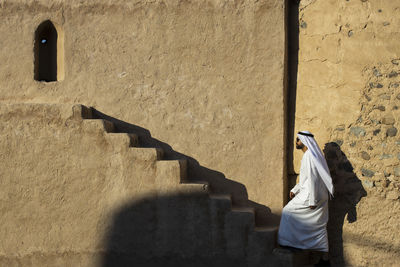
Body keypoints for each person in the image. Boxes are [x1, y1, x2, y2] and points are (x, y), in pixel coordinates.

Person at [278, 131, 334, 252]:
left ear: (304, 141)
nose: (296, 142)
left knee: (288, 212)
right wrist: (295, 190)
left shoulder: (310, 156)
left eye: (298, 139)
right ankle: (324, 256)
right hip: (315, 193)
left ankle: (289, 242)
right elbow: (306, 179)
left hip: (313, 194)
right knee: (317, 225)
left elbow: (313, 179)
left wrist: (312, 201)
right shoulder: (309, 155)